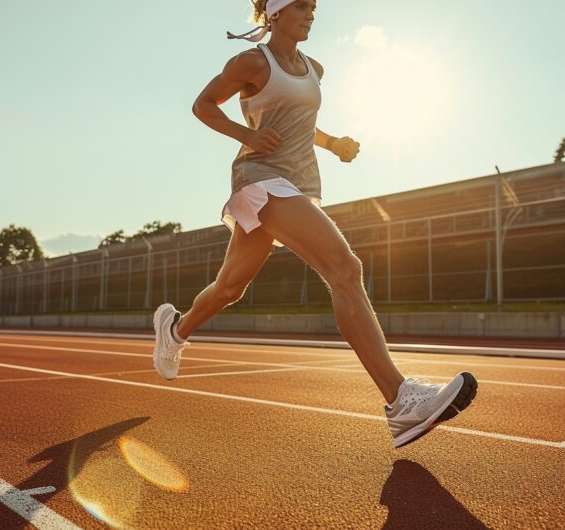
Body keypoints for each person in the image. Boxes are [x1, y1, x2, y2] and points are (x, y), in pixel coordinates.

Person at [152, 0, 477, 448]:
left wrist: (333, 143)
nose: (311, 13)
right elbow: (202, 104)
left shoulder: (314, 68)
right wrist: (247, 135)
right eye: (302, 5)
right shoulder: (251, 62)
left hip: (298, 182)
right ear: (276, 12)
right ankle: (400, 400)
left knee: (230, 288)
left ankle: (175, 330)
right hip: (260, 179)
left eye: (314, 6)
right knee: (345, 268)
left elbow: (304, 124)